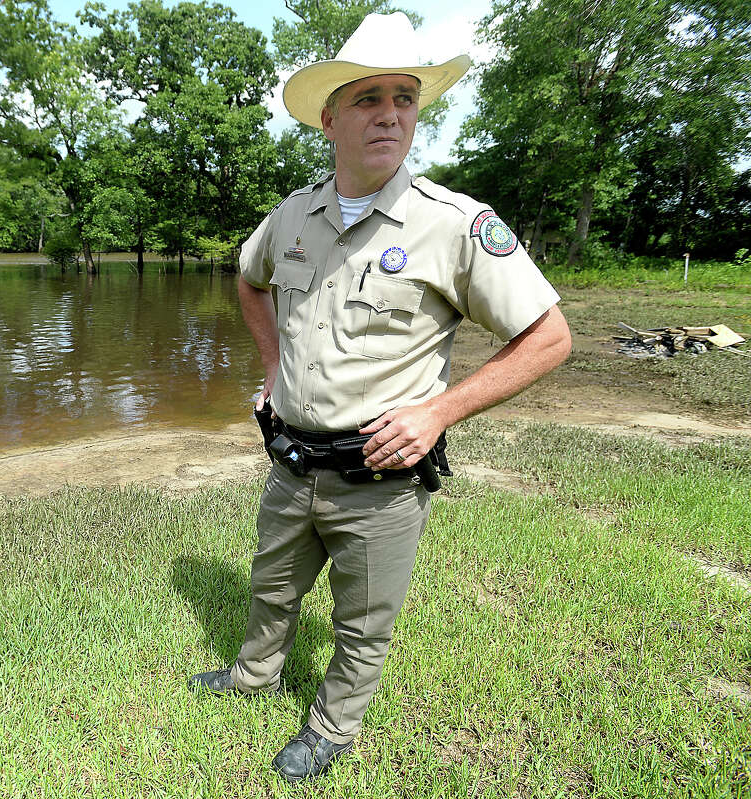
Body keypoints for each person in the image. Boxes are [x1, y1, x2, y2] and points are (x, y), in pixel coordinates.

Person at [187, 12, 573, 784]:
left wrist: (439, 411)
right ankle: (254, 675)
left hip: (381, 478)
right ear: (330, 118)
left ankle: (331, 726)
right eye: (368, 98)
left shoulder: (456, 224)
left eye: (404, 96)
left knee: (362, 622)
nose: (390, 113)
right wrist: (271, 368)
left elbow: (550, 337)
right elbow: (248, 277)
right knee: (270, 582)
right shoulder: (293, 214)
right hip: (291, 459)